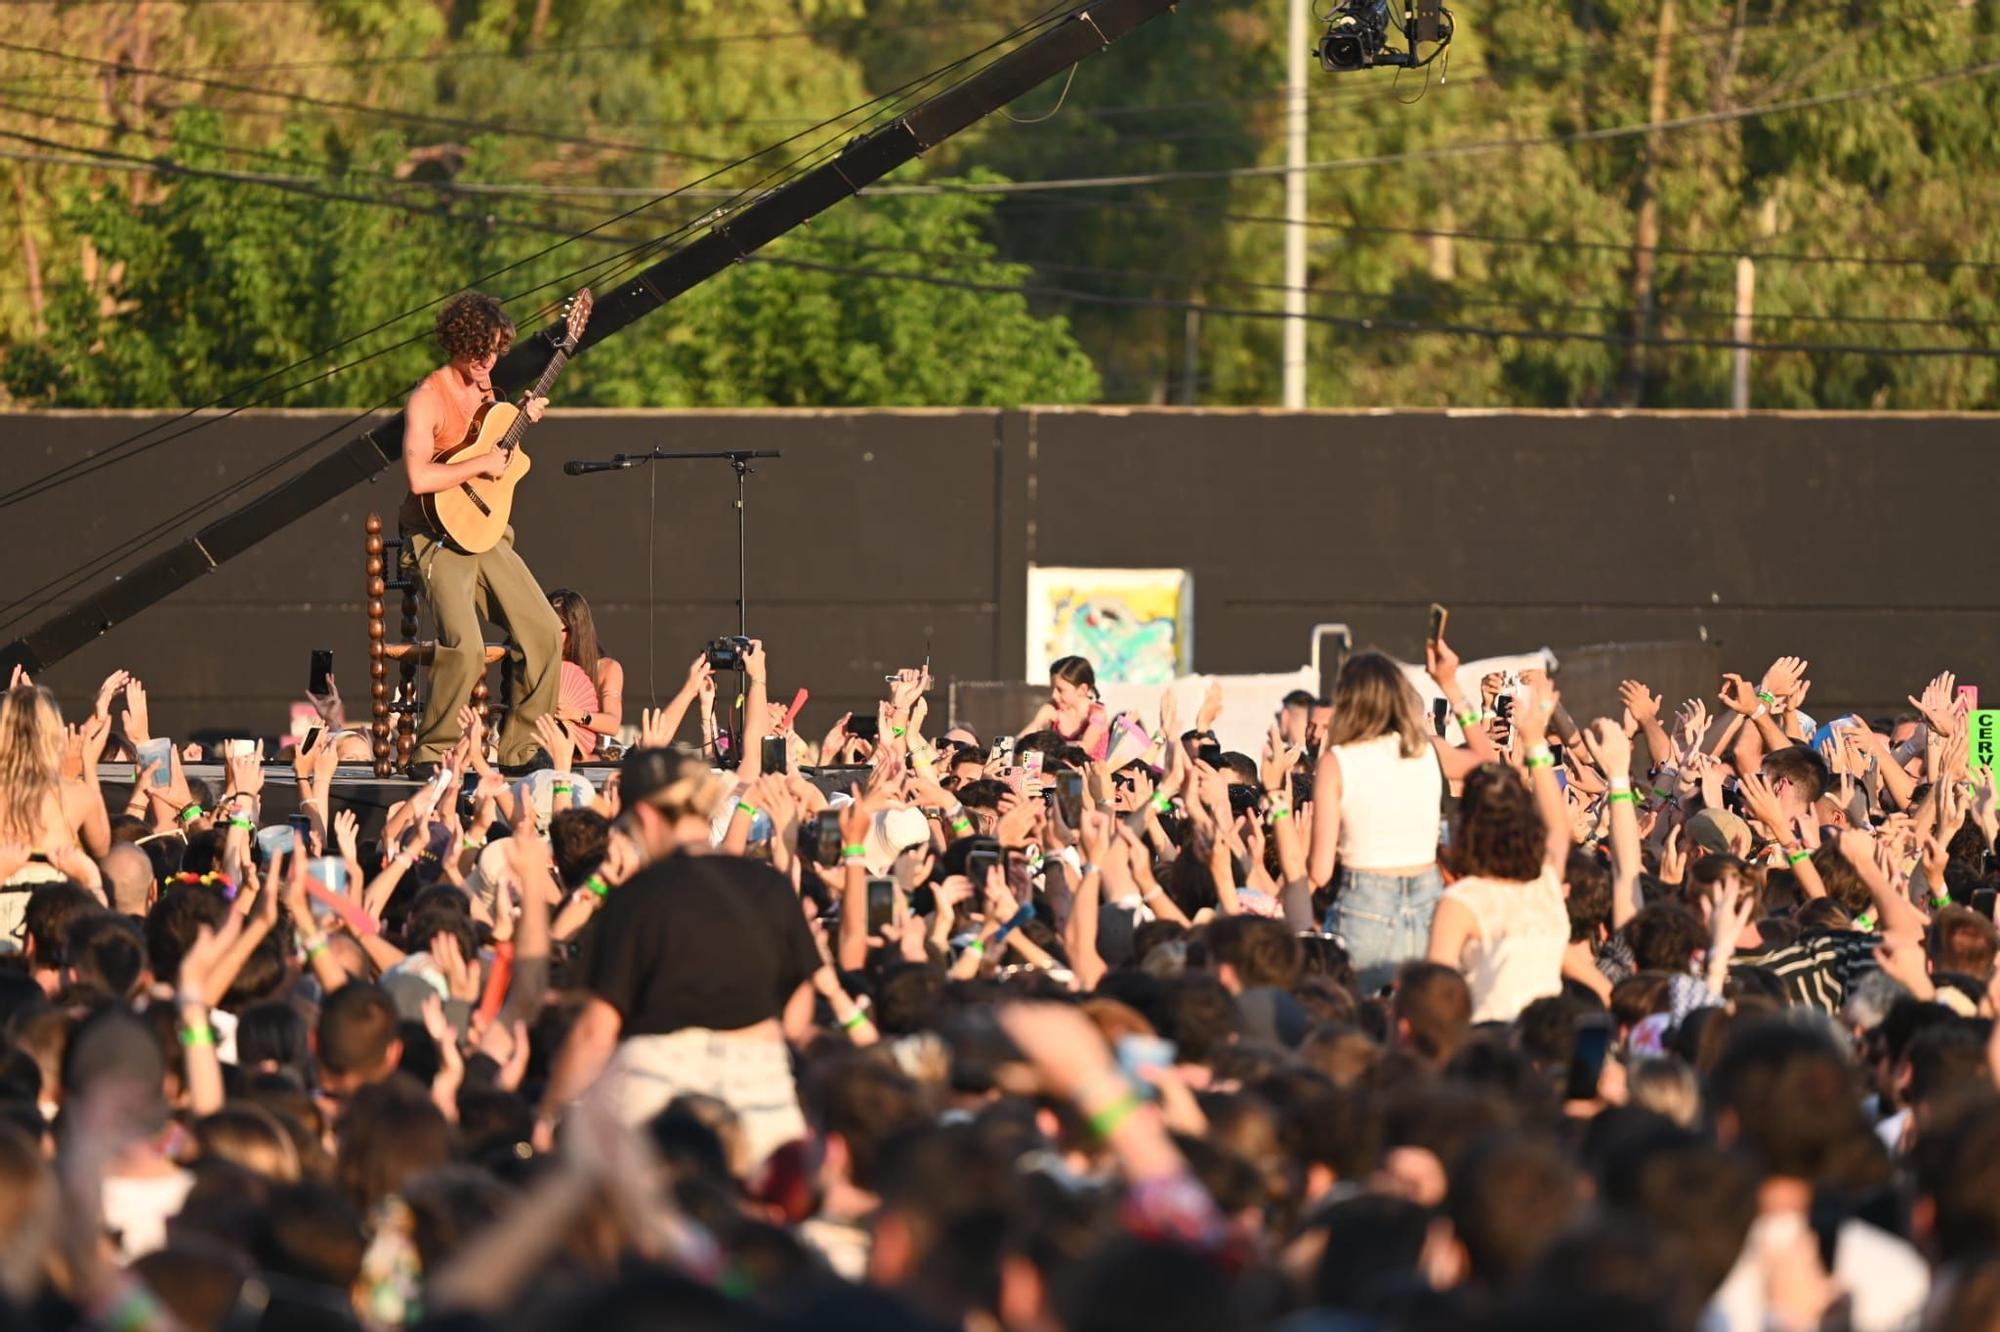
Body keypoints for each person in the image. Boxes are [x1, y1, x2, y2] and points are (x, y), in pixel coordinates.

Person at [396, 290, 561, 777]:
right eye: (482, 352)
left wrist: (520, 422)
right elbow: (420, 478)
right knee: (465, 647)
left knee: (546, 631)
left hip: (484, 529)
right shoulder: (428, 399)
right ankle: (433, 752)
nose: (490, 362)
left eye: (496, 352)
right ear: (458, 345)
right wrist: (482, 463)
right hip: (435, 535)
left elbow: (499, 454)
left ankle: (520, 748)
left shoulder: (490, 391)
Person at [1426, 679, 1572, 1023]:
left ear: (1466, 825)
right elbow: (1558, 827)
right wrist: (1534, 740)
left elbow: (1433, 997)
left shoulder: (1461, 902)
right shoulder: (1546, 885)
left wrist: (1452, 688)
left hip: (1490, 1051)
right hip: (1548, 1045)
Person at [1307, 651, 1445, 991]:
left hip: (1366, 901)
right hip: (1429, 901)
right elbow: (1483, 760)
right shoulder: (1426, 750)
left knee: (1358, 1024)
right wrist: (1452, 687)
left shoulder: (1337, 761)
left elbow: (1320, 871)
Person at [547, 588, 625, 759]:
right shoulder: (539, 666)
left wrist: (576, 714)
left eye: (563, 630)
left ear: (578, 631)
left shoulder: (606, 668)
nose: (555, 636)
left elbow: (612, 724)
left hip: (587, 757)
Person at [1024, 655, 1111, 759]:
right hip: (1059, 772)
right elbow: (1025, 736)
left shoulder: (1097, 714)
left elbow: (1085, 747)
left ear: (1082, 689)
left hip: (1089, 773)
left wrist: (1046, 748)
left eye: (1060, 690)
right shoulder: (1053, 710)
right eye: (1052, 689)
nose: (1054, 695)